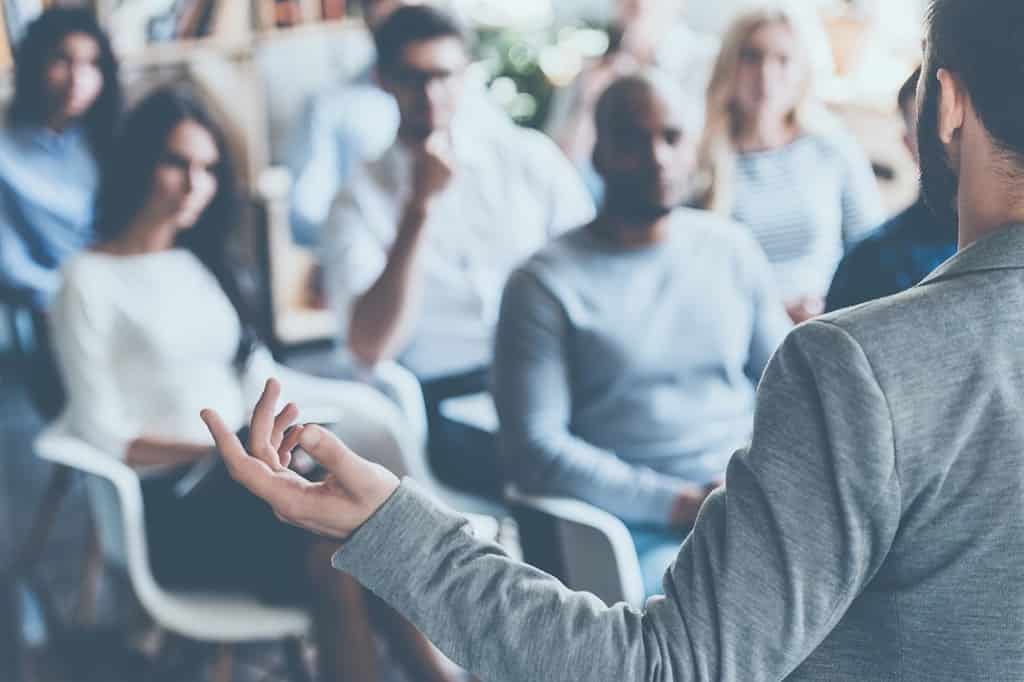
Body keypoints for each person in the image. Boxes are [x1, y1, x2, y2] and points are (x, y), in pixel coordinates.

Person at [206, 0, 1024, 678]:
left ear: (944, 105)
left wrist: (384, 521)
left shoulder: (853, 366)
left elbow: (667, 668)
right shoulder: (540, 276)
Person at [50, 86, 459, 682]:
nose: (196, 184)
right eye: (176, 163)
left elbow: (256, 377)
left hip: (252, 487)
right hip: (168, 508)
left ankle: (443, 674)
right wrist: (229, 455)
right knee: (348, 541)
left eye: (209, 168)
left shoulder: (196, 267)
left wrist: (287, 435)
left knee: (350, 541)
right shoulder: (85, 281)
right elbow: (103, 434)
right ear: (138, 162)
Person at [495, 72, 791, 597]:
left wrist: (756, 485)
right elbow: (537, 450)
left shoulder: (731, 249)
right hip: (629, 532)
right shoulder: (542, 284)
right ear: (599, 153)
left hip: (749, 503)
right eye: (633, 139)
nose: (657, 157)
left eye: (672, 137)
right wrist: (678, 503)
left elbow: (790, 390)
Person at [322, 4, 594, 498]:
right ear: (385, 81)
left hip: (553, 370)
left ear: (466, 74)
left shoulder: (525, 158)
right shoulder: (360, 198)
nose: (430, 96)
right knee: (554, 456)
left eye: (443, 76)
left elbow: (596, 269)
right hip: (451, 395)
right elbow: (369, 345)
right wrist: (418, 210)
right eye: (413, 79)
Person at [697, 6, 884, 323]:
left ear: (802, 71)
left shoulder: (832, 148)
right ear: (730, 64)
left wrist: (832, 305)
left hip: (826, 321)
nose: (766, 75)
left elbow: (873, 251)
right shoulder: (702, 157)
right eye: (752, 57)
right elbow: (695, 273)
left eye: (782, 60)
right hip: (736, 324)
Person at [286, 0, 506, 246]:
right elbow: (303, 217)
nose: (429, 95)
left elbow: (510, 169)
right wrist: (353, 237)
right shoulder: (329, 108)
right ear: (366, 16)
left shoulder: (469, 96)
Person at [0, 7, 121, 311]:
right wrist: (81, 302)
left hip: (120, 293)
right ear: (36, 64)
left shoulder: (110, 143)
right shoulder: (6, 157)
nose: (77, 79)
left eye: (91, 64)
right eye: (63, 60)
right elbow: (12, 267)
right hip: (52, 308)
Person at [546, 0, 718, 199]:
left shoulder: (705, 60)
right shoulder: (592, 72)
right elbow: (558, 167)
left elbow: (698, 156)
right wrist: (588, 104)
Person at [825, 67, 957, 312]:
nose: (946, 141)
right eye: (927, 131)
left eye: (956, 127)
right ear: (909, 145)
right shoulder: (871, 262)